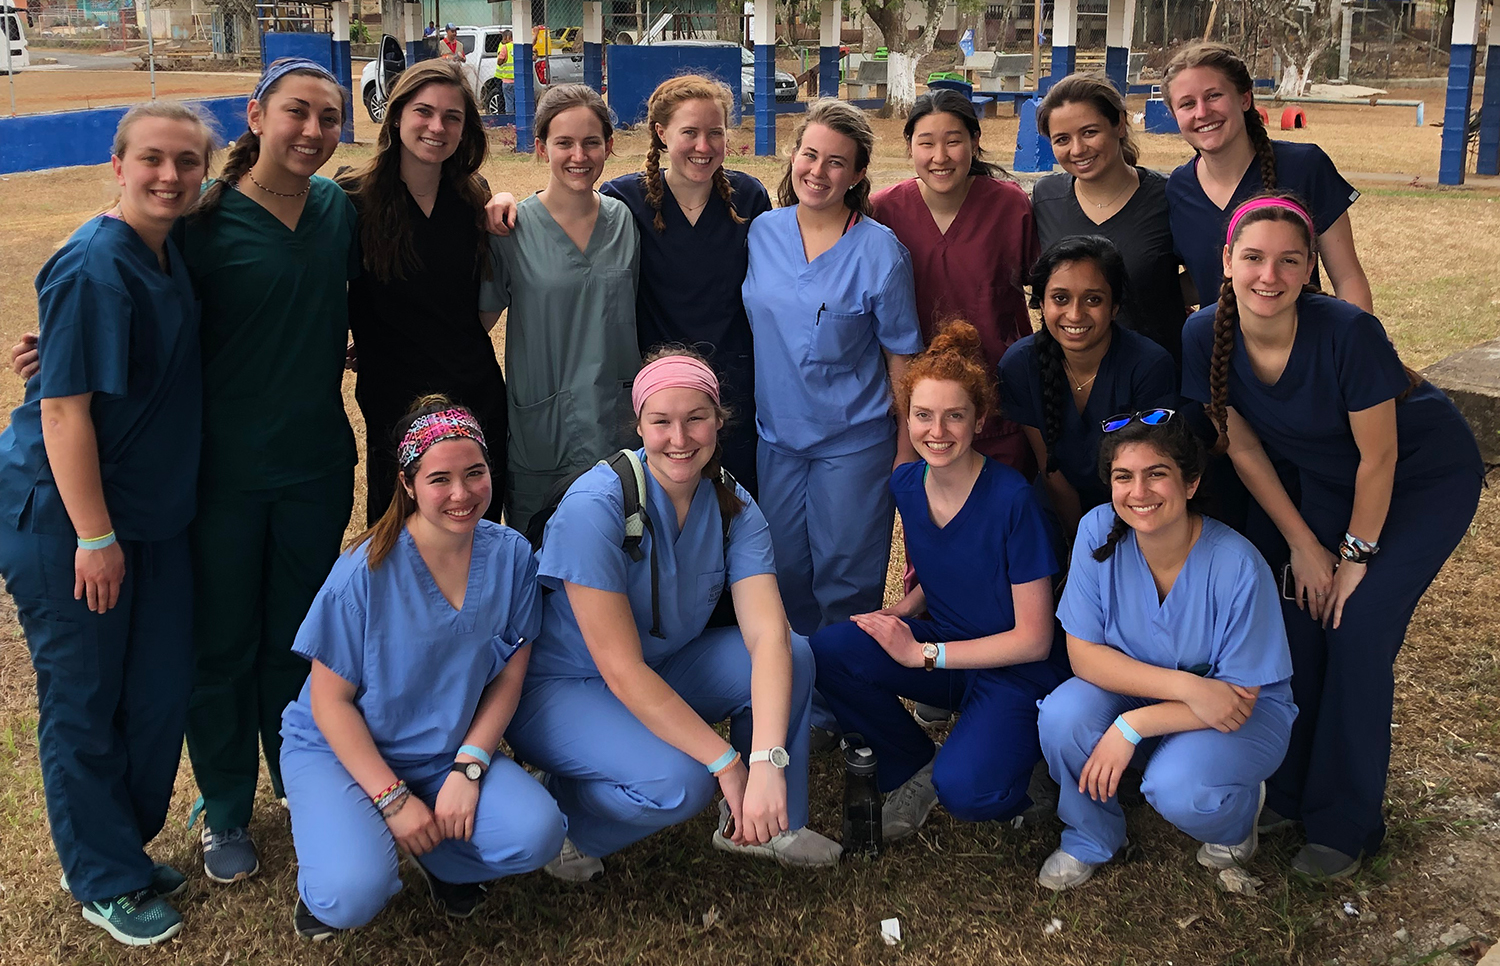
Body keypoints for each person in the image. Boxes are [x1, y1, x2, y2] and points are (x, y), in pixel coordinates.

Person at [1181, 193, 1483, 880]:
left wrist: (1353, 558)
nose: (1269, 275)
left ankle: (1346, 822)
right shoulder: (1204, 334)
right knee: (1297, 621)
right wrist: (1304, 546)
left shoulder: (1347, 332)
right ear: (1225, 261)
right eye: (1253, 257)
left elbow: (1380, 459)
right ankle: (1287, 790)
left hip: (1418, 479)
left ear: (1311, 267)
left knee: (1356, 625)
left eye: (1290, 260)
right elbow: (1245, 449)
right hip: (1323, 482)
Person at [0, 103, 214, 947]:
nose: (170, 176)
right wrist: (93, 534)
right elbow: (62, 414)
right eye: (152, 160)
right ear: (116, 165)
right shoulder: (94, 264)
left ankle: (109, 844)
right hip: (69, 518)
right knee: (85, 700)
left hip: (152, 513)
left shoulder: (164, 250)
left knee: (156, 689)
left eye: (186, 162)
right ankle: (101, 875)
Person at [506, 350, 842, 881]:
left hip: (659, 667)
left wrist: (767, 759)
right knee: (683, 781)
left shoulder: (733, 503)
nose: (680, 439)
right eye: (661, 421)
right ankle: (566, 821)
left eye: (696, 419)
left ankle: (766, 824)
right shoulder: (596, 504)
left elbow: (769, 636)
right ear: (638, 424)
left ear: (718, 420)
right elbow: (619, 668)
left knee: (793, 654)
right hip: (562, 687)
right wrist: (726, 761)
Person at [280, 398, 564, 940]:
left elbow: (511, 670)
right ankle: (342, 861)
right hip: (342, 750)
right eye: (440, 479)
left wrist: (471, 765)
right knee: (351, 892)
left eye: (474, 473)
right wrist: (392, 800)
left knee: (538, 833)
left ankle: (442, 862)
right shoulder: (363, 573)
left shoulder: (511, 557)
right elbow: (329, 701)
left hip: (441, 751)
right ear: (408, 484)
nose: (462, 494)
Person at [180, 58, 360, 884]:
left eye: (329, 118)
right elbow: (134, 294)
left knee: (298, 637)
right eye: (298, 113)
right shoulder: (201, 221)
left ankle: (297, 776)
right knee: (221, 642)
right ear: (255, 114)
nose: (314, 132)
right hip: (222, 473)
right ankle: (223, 807)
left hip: (316, 465)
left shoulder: (335, 210)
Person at [810, 320, 1065, 842]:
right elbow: (950, 563)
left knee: (970, 792)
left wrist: (922, 656)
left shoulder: (1013, 500)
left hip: (1014, 669)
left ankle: (1034, 766)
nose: (938, 431)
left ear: (980, 418)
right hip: (950, 646)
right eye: (923, 415)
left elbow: (1035, 639)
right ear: (906, 416)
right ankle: (911, 761)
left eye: (955, 416)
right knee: (830, 649)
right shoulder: (907, 482)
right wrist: (906, 610)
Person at [1036, 410, 1297, 891]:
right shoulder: (1098, 533)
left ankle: (1237, 819)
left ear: (1191, 483)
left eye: (1157, 474)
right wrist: (1178, 691)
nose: (1139, 492)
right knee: (1061, 716)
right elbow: (1084, 657)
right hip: (1161, 692)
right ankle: (1091, 836)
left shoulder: (1237, 564)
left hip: (1244, 710)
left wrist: (1132, 725)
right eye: (1124, 477)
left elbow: (1234, 699)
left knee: (1177, 788)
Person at [741, 98, 923, 640]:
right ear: (793, 156)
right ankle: (799, 693)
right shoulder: (761, 233)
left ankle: (842, 703)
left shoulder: (880, 253)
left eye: (836, 162)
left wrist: (906, 451)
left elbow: (901, 356)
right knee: (784, 572)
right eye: (809, 155)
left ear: (858, 173)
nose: (817, 172)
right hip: (776, 439)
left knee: (846, 579)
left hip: (853, 444)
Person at [339, 59, 508, 527]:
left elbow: (482, 298)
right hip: (392, 393)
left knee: (474, 523)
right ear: (396, 115)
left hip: (472, 389)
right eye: (424, 111)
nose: (437, 126)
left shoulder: (475, 196)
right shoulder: (353, 196)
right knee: (398, 531)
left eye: (452, 117)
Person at [600, 74, 772, 494]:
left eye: (716, 133)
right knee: (664, 508)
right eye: (690, 133)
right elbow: (562, 218)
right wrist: (505, 203)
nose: (704, 146)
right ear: (661, 134)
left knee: (735, 507)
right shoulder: (623, 200)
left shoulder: (748, 198)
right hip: (660, 393)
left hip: (734, 389)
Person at [481, 83, 640, 533]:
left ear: (609, 146)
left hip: (615, 425)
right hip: (542, 430)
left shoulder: (623, 221)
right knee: (538, 561)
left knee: (616, 554)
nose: (579, 155)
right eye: (563, 142)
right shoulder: (512, 228)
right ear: (540, 148)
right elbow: (474, 325)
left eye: (591, 142)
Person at [870, 89, 1036, 473]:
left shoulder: (1010, 206)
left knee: (1003, 515)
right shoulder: (883, 212)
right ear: (909, 146)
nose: (940, 157)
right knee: (933, 518)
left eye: (954, 141)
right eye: (926, 143)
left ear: (975, 143)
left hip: (1000, 400)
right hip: (924, 413)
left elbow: (1042, 287)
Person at [1161, 42, 1372, 313]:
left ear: (1245, 99)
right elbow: (1203, 276)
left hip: (1302, 348)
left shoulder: (1304, 166)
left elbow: (1348, 277)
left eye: (1214, 96)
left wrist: (1362, 345)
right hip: (1220, 352)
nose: (1202, 112)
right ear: (1174, 115)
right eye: (1187, 104)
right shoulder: (1178, 188)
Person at [998, 236, 1177, 545]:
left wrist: (1108, 542)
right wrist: (1077, 542)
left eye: (1093, 299)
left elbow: (1149, 476)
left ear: (1115, 306)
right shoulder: (1020, 365)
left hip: (1136, 507)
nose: (1076, 314)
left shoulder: (1149, 365)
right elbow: (1049, 468)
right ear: (1041, 302)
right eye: (1061, 298)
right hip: (1056, 509)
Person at [1034, 73, 1189, 361]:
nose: (1078, 149)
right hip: (1069, 378)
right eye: (1062, 139)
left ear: (1119, 124)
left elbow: (1207, 276)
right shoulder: (1046, 198)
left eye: (1090, 132)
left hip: (1157, 374)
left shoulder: (1170, 197)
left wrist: (1155, 293)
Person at [495, 30, 514, 114]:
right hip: (518, 80)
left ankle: (509, 121)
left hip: (506, 78)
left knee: (508, 102)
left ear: (508, 37)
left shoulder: (505, 47)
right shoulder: (519, 47)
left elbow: (499, 61)